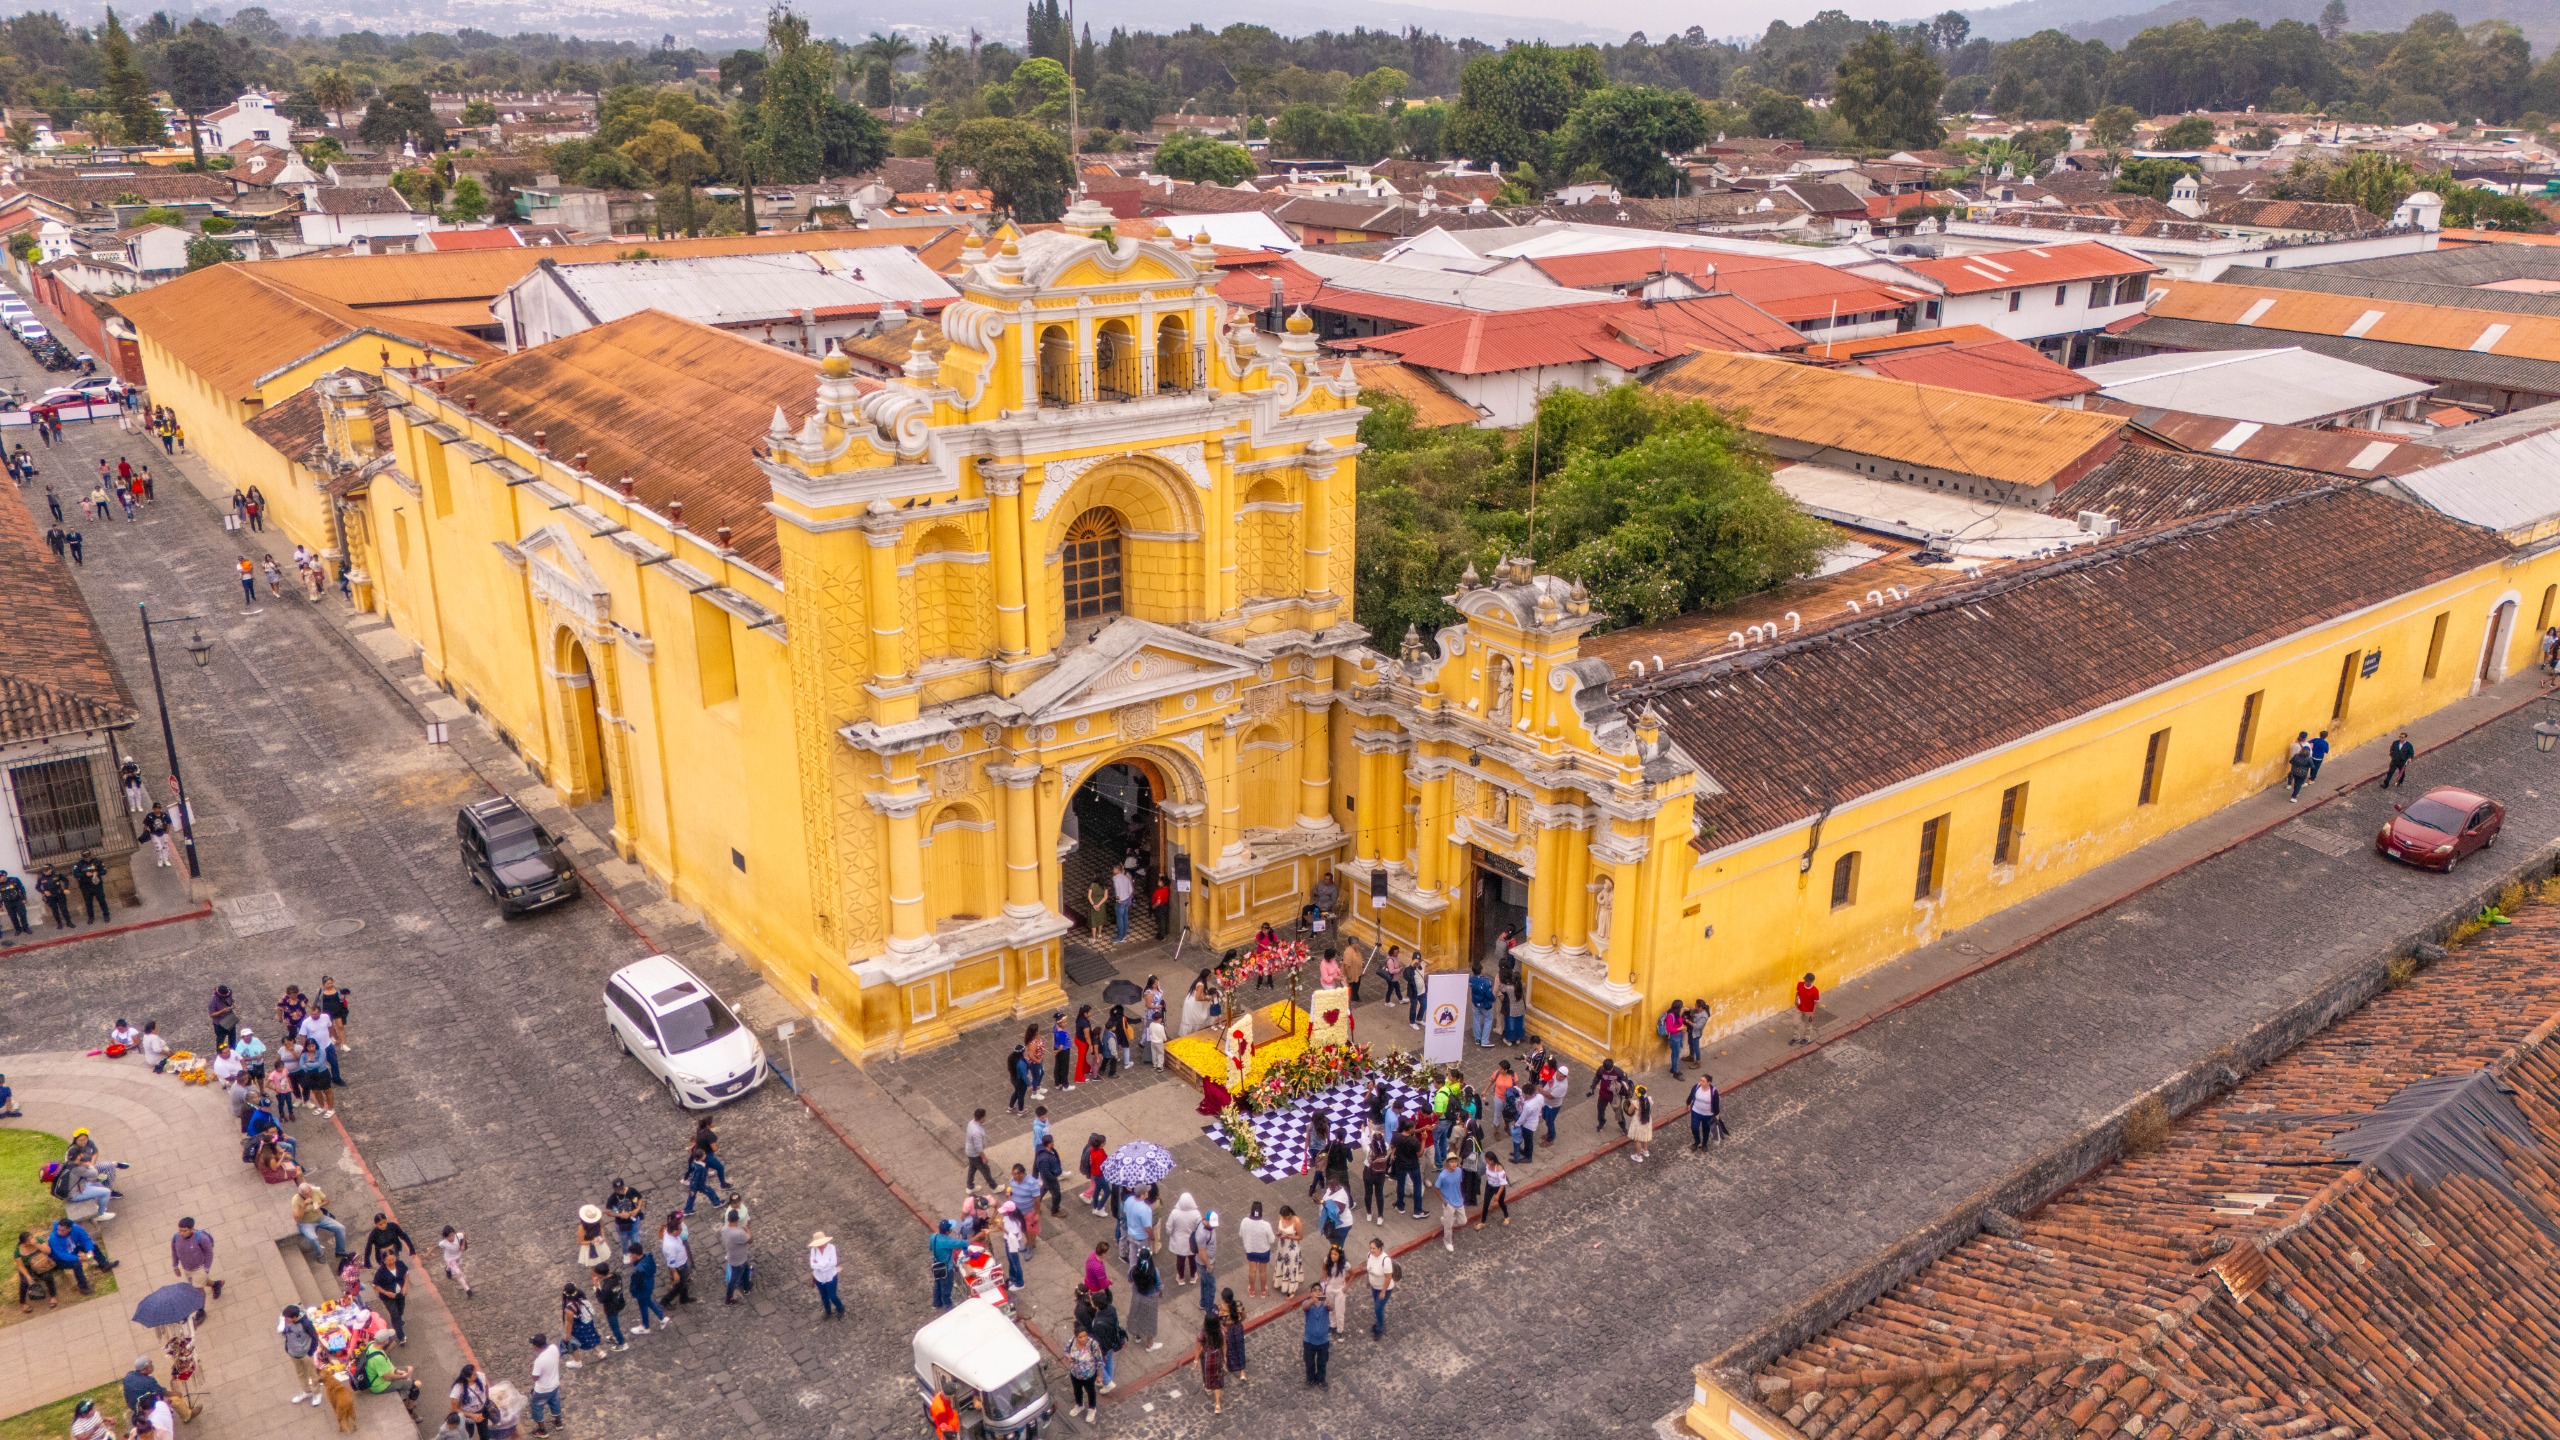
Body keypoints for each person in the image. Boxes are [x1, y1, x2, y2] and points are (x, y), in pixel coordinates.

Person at [280, 1305, 325, 1407]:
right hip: (293, 1354)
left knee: (312, 1374)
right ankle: (307, 1391)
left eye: (287, 1318)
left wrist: (310, 1352)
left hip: (305, 1354)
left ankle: (317, 1393)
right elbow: (285, 1333)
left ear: (295, 1317)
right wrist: (288, 1348)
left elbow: (315, 1338)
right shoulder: (288, 1322)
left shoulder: (306, 1324)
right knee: (301, 1374)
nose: (286, 1320)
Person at [48, 1218, 110, 1292]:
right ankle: (83, 1287)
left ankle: (104, 1265)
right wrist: (78, 1258)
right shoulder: (53, 1238)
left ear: (69, 1229)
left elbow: (86, 1240)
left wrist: (89, 1250)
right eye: (58, 1229)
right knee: (76, 1264)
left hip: (72, 1249)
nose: (59, 1232)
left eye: (62, 1230)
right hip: (59, 1259)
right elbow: (62, 1255)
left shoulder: (76, 1229)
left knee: (93, 1246)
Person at [293, 1184, 350, 1263]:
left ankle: (340, 1251)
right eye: (306, 1194)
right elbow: (297, 1217)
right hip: (306, 1222)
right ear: (301, 1194)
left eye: (310, 1191)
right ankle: (319, 1255)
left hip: (320, 1218)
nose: (309, 1194)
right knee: (313, 1238)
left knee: (340, 1228)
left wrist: (320, 1205)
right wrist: (304, 1205)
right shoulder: (296, 1200)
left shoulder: (315, 1191)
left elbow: (326, 1201)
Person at [525, 1336, 563, 1438]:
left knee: (536, 1406)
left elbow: (535, 1378)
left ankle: (542, 1430)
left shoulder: (539, 1361)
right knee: (554, 1402)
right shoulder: (554, 1348)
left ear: (536, 1346)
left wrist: (533, 1368)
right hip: (554, 1384)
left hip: (542, 1390)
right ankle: (558, 1423)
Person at [170, 1218, 216, 1300]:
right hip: (187, 1269)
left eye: (185, 1231)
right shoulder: (176, 1238)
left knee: (198, 1290)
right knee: (199, 1283)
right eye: (180, 1230)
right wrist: (175, 1266)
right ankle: (216, 1284)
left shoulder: (202, 1238)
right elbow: (174, 1252)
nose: (181, 1233)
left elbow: (209, 1253)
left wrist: (206, 1268)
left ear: (192, 1229)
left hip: (200, 1269)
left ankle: (201, 1309)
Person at [1065, 1324, 1103, 1423]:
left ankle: (1092, 1409)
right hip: (1075, 1373)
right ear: (1076, 1337)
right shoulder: (1072, 1341)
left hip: (1089, 1375)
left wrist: (1100, 1375)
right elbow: (1066, 1351)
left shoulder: (1093, 1344)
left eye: (1085, 1336)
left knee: (1091, 1393)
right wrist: (1068, 1356)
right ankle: (1079, 1405)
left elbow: (1099, 1360)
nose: (1083, 1339)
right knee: (1077, 1390)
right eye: (1080, 1337)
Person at [373, 1250, 411, 1344]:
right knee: (394, 1315)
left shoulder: (400, 1264)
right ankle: (400, 1336)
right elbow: (375, 1286)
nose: (392, 1262)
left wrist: (405, 1285)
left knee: (400, 1310)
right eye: (389, 1260)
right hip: (388, 1297)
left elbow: (406, 1274)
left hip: (400, 1294)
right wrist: (386, 1293)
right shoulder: (381, 1272)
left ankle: (399, 1320)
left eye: (393, 1259)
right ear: (384, 1261)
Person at [1239, 1201, 1274, 1298]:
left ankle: (1252, 1290)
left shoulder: (1244, 1221)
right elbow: (1272, 1240)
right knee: (1262, 1271)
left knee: (1252, 1270)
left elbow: (1240, 1234)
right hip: (1263, 1251)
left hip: (1250, 1250)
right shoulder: (1266, 1225)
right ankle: (1263, 1291)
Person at [1364, 1237, 1396, 1337]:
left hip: (1384, 1289)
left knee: (1378, 1308)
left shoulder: (1385, 1260)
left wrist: (1383, 1292)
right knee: (1378, 1306)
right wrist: (1368, 1281)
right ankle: (1379, 1322)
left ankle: (1380, 1328)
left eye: (1374, 1248)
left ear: (1380, 1248)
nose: (1371, 1250)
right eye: (1370, 1248)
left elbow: (1388, 1278)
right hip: (1374, 1287)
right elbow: (1368, 1270)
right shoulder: (1369, 1255)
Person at [660, 1213, 695, 1306]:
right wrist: (674, 1273)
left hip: (682, 1262)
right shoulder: (670, 1246)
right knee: (679, 1286)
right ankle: (665, 1301)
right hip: (679, 1266)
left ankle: (684, 1298)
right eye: (680, 1229)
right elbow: (671, 1261)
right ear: (674, 1231)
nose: (682, 1231)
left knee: (684, 1283)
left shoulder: (670, 1233)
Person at [807, 1230, 843, 1319]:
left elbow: (833, 1263)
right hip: (819, 1278)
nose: (820, 1245)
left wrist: (819, 1265)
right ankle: (828, 1311)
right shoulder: (813, 1250)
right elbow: (812, 1265)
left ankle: (840, 1308)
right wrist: (826, 1263)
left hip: (831, 1276)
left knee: (832, 1295)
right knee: (823, 1296)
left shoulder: (831, 1248)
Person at [719, 1207, 752, 1305]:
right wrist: (747, 1229)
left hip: (736, 1257)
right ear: (737, 1219)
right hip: (738, 1261)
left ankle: (746, 1287)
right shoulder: (738, 1233)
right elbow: (750, 1240)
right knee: (734, 1280)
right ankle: (728, 1299)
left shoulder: (724, 1229)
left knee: (746, 1269)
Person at [929, 1220, 963, 1310]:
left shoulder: (933, 1236)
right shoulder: (948, 1241)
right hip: (946, 1268)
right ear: (948, 1231)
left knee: (937, 1284)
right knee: (946, 1287)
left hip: (936, 1265)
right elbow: (961, 1244)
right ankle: (948, 1305)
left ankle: (936, 1303)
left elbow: (931, 1248)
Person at [1302, 1286, 1332, 1385]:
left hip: (1323, 1341)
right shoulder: (1307, 1303)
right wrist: (1312, 1300)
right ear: (1311, 1293)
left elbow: (1331, 1307)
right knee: (1309, 1362)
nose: (1317, 1292)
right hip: (1309, 1340)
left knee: (1322, 1362)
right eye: (1315, 1291)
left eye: (1319, 1290)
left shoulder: (1325, 1303)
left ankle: (1321, 1379)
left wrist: (1327, 1304)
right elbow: (1304, 1307)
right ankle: (1310, 1379)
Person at [1199, 1310, 1226, 1413]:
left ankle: (1207, 1386)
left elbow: (1198, 1347)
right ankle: (1217, 1405)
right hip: (1217, 1355)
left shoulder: (1202, 1334)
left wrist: (1196, 1359)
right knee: (1217, 1380)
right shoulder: (1221, 1333)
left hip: (1206, 1356)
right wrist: (1224, 1358)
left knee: (1206, 1373)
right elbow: (1224, 1346)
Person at [440, 1226, 472, 1298]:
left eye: (452, 1235)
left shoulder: (458, 1235)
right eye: (449, 1236)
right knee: (458, 1272)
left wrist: (463, 1245)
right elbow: (438, 1247)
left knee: (451, 1268)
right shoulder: (443, 1243)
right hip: (450, 1259)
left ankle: (447, 1269)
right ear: (445, 1237)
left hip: (457, 1257)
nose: (451, 1237)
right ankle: (467, 1289)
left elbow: (464, 1235)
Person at [1468, 962, 1496, 1047]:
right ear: (1481, 970)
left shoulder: (1471, 979)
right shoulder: (1486, 982)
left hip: (1475, 1003)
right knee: (1488, 1020)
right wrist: (1493, 999)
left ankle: (1477, 1038)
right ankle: (1484, 1040)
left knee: (1476, 1019)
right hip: (1485, 1004)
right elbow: (1488, 994)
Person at [1629, 1084, 1656, 1161]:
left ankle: (1638, 1156)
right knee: (1645, 1136)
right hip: (1647, 1121)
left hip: (1638, 1123)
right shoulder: (1649, 1099)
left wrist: (1631, 1103)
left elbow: (1629, 1111)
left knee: (1638, 1140)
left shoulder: (1635, 1103)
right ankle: (1645, 1151)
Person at [1793, 974, 1821, 1046]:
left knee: (1808, 1025)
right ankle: (1796, 1038)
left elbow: (1816, 1002)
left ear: (1812, 981)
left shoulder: (1815, 991)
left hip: (1808, 1011)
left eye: (1807, 981)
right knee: (1795, 1023)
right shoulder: (1800, 984)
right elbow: (1798, 992)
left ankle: (1806, 1038)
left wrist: (1813, 1013)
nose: (1805, 982)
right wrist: (1796, 999)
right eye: (1805, 980)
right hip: (1799, 1008)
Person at [2286, 736, 2315, 801]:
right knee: (2298, 785)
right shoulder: (2308, 759)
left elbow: (2291, 761)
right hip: (2302, 774)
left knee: (2296, 783)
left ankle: (2296, 792)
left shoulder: (2296, 756)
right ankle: (2294, 797)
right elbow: (2312, 766)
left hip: (2294, 772)